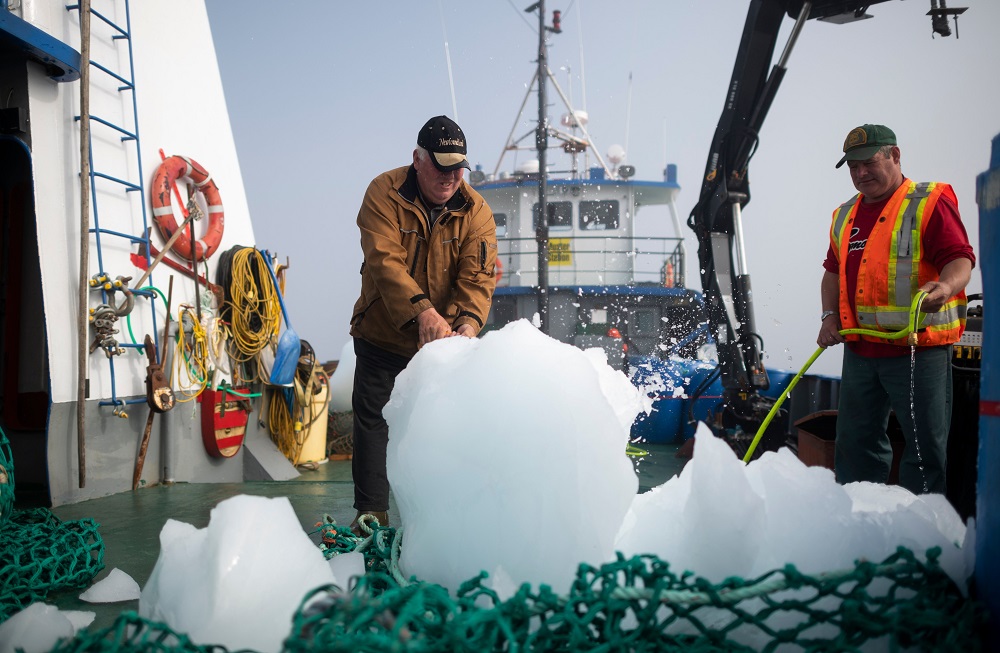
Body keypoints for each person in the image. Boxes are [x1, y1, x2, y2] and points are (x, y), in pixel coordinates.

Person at [348, 115, 498, 534]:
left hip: (441, 349)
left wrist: (467, 325)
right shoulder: (383, 192)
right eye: (441, 166)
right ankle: (371, 516)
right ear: (417, 158)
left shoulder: (477, 212)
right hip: (381, 334)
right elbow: (384, 260)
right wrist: (423, 313)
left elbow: (478, 278)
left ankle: (439, 527)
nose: (451, 177)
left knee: (444, 433)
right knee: (374, 423)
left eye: (458, 168)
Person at [817, 124, 975, 495]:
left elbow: (960, 261)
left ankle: (918, 532)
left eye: (868, 163)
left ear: (895, 155)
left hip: (918, 349)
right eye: (852, 167)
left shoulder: (929, 202)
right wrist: (828, 317)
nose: (860, 174)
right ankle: (857, 520)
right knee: (855, 445)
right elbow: (832, 274)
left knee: (923, 449)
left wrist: (945, 287)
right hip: (860, 351)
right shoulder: (844, 215)